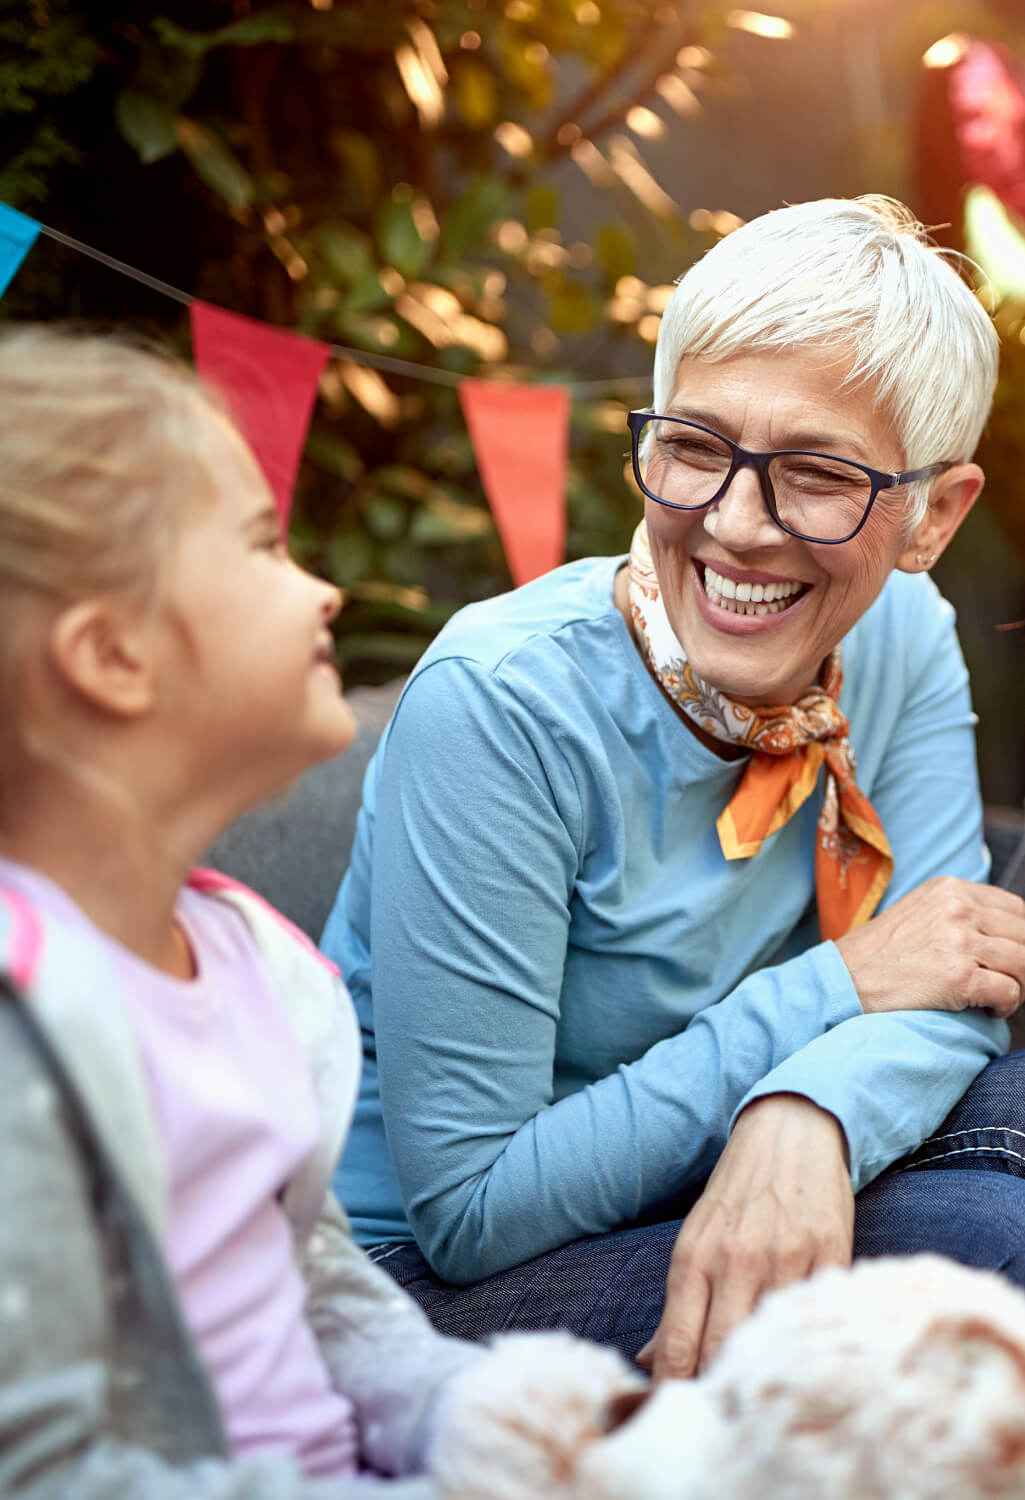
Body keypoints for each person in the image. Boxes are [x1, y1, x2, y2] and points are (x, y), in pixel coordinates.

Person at [322, 194, 1025, 1381]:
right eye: (694, 448)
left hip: (696, 1164)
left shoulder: (901, 632)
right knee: (976, 1267)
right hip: (414, 1286)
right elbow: (468, 1208)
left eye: (814, 475)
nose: (734, 527)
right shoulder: (501, 705)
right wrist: (831, 997)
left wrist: (806, 1111)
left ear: (929, 516)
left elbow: (951, 968)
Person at [0, 327, 644, 1499]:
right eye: (261, 545)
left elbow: (317, 1284)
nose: (322, 585)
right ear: (112, 656)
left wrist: (477, 1422)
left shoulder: (247, 959)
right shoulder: (26, 1025)